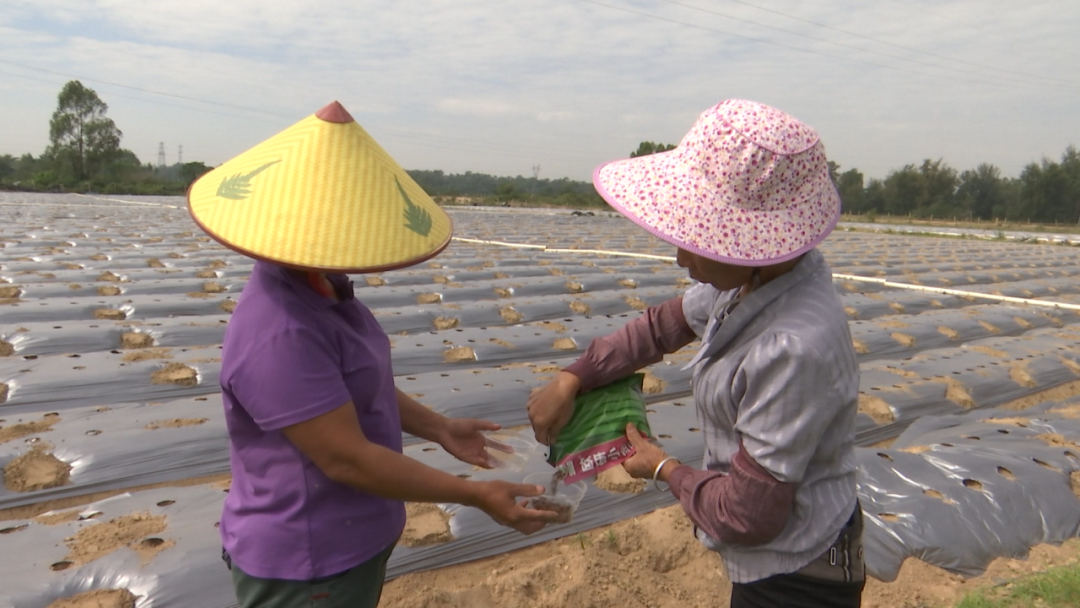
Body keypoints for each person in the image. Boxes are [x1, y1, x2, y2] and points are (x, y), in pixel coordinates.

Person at [188, 100, 556, 608]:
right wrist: (473, 493)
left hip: (354, 540)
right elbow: (348, 460)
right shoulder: (279, 331)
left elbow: (356, 384)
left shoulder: (324, 286)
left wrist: (440, 428)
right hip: (309, 562)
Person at [528, 99, 863, 607]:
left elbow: (748, 516)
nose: (681, 256)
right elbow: (659, 329)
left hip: (799, 579)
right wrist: (573, 378)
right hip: (777, 559)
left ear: (755, 248)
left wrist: (662, 467)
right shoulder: (752, 283)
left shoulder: (794, 349)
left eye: (697, 240)